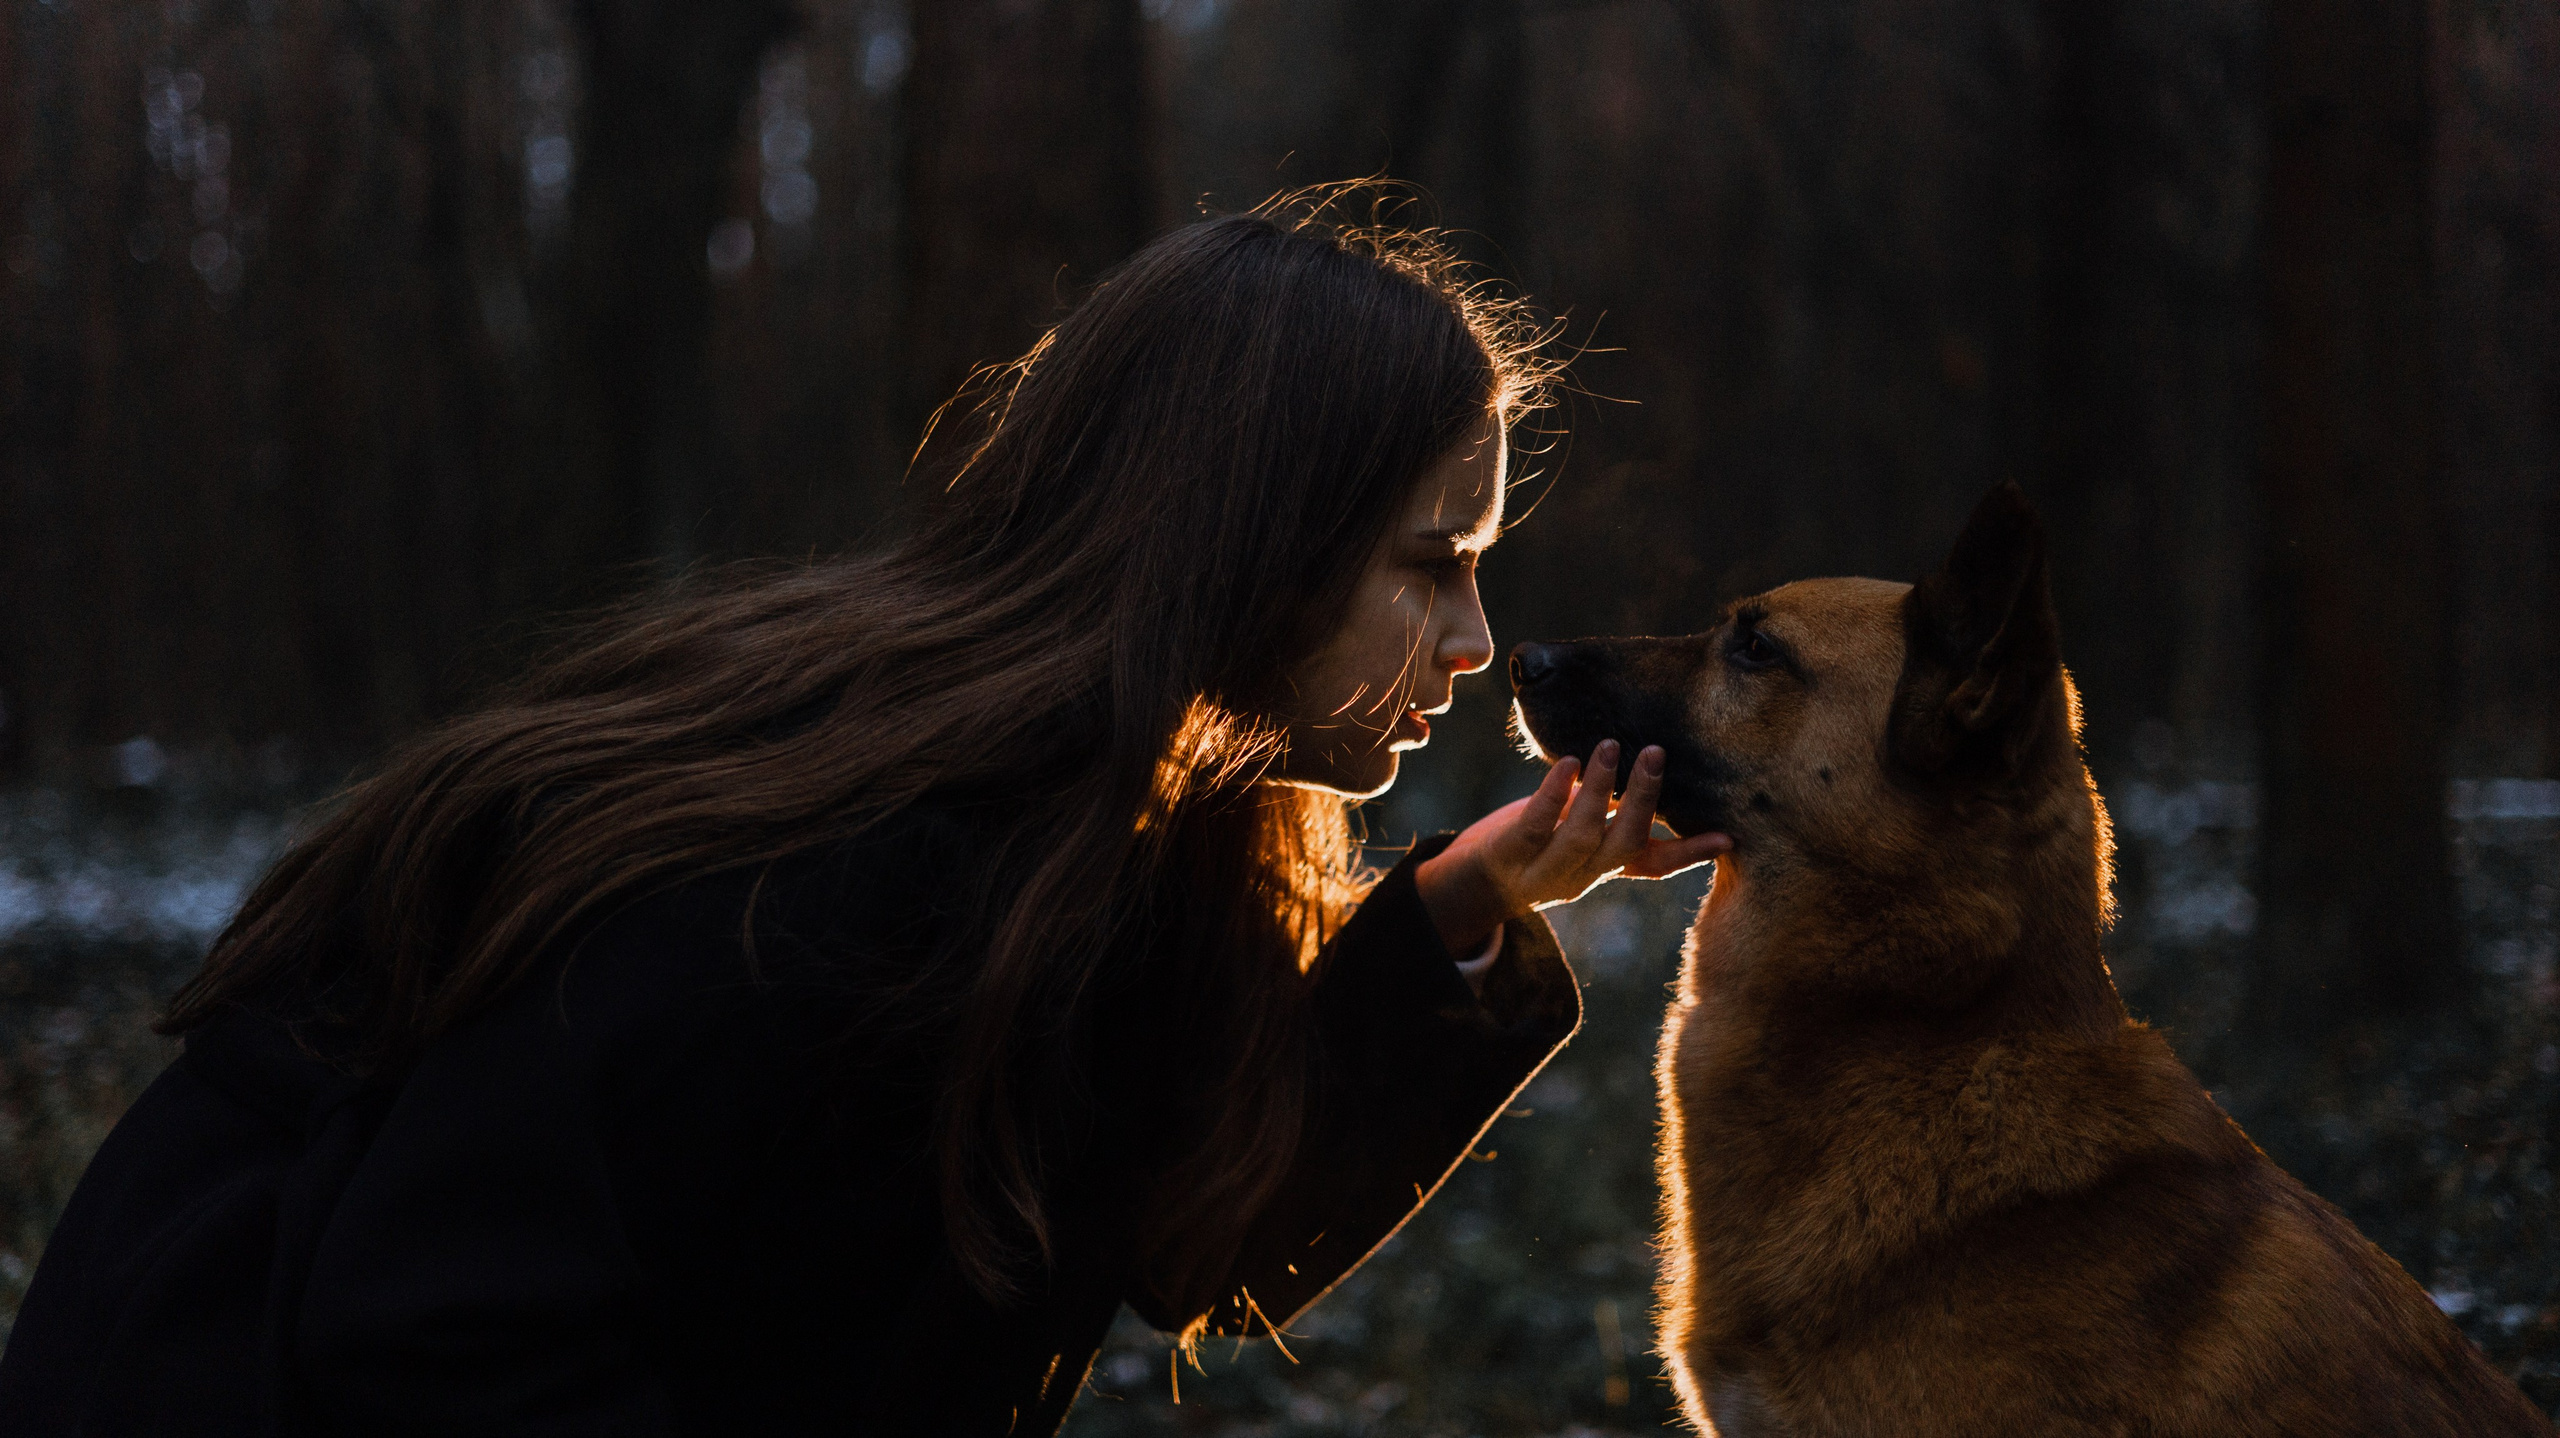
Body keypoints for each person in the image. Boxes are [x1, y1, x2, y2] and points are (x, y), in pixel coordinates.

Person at [0, 197, 1727, 1436]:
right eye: (1430, 565)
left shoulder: (1126, 836)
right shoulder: (862, 864)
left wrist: (1474, 899)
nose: (1479, 639)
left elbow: (1187, 1231)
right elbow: (444, 1321)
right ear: (1248, 537)